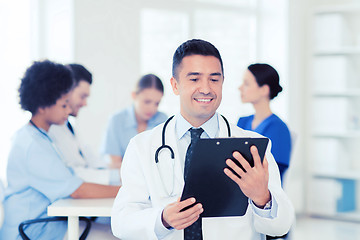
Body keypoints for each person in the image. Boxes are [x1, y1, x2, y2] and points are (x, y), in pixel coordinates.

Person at [111, 39, 294, 240]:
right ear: (175, 85)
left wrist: (262, 198)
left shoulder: (252, 145)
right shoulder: (142, 146)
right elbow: (121, 222)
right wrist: (162, 219)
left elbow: (281, 226)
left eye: (214, 79)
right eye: (194, 79)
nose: (206, 89)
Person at [0, 60, 120, 240]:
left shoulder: (40, 137)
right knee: (114, 235)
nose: (68, 110)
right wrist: (124, 190)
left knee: (113, 226)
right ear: (42, 106)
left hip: (46, 222)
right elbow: (77, 190)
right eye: (63, 105)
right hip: (33, 230)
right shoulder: (32, 145)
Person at [49, 63, 120, 185]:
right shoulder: (52, 129)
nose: (85, 103)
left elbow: (90, 161)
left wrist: (121, 169)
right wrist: (117, 176)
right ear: (67, 91)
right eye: (82, 96)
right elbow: (71, 172)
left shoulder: (68, 126)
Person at [237, 63, 292, 183]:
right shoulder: (242, 122)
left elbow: (274, 173)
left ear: (264, 90)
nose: (240, 88)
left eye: (246, 84)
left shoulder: (279, 129)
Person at [101, 74, 167, 169]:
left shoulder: (163, 120)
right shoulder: (116, 121)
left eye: (156, 103)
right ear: (134, 95)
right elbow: (115, 164)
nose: (152, 108)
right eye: (147, 102)